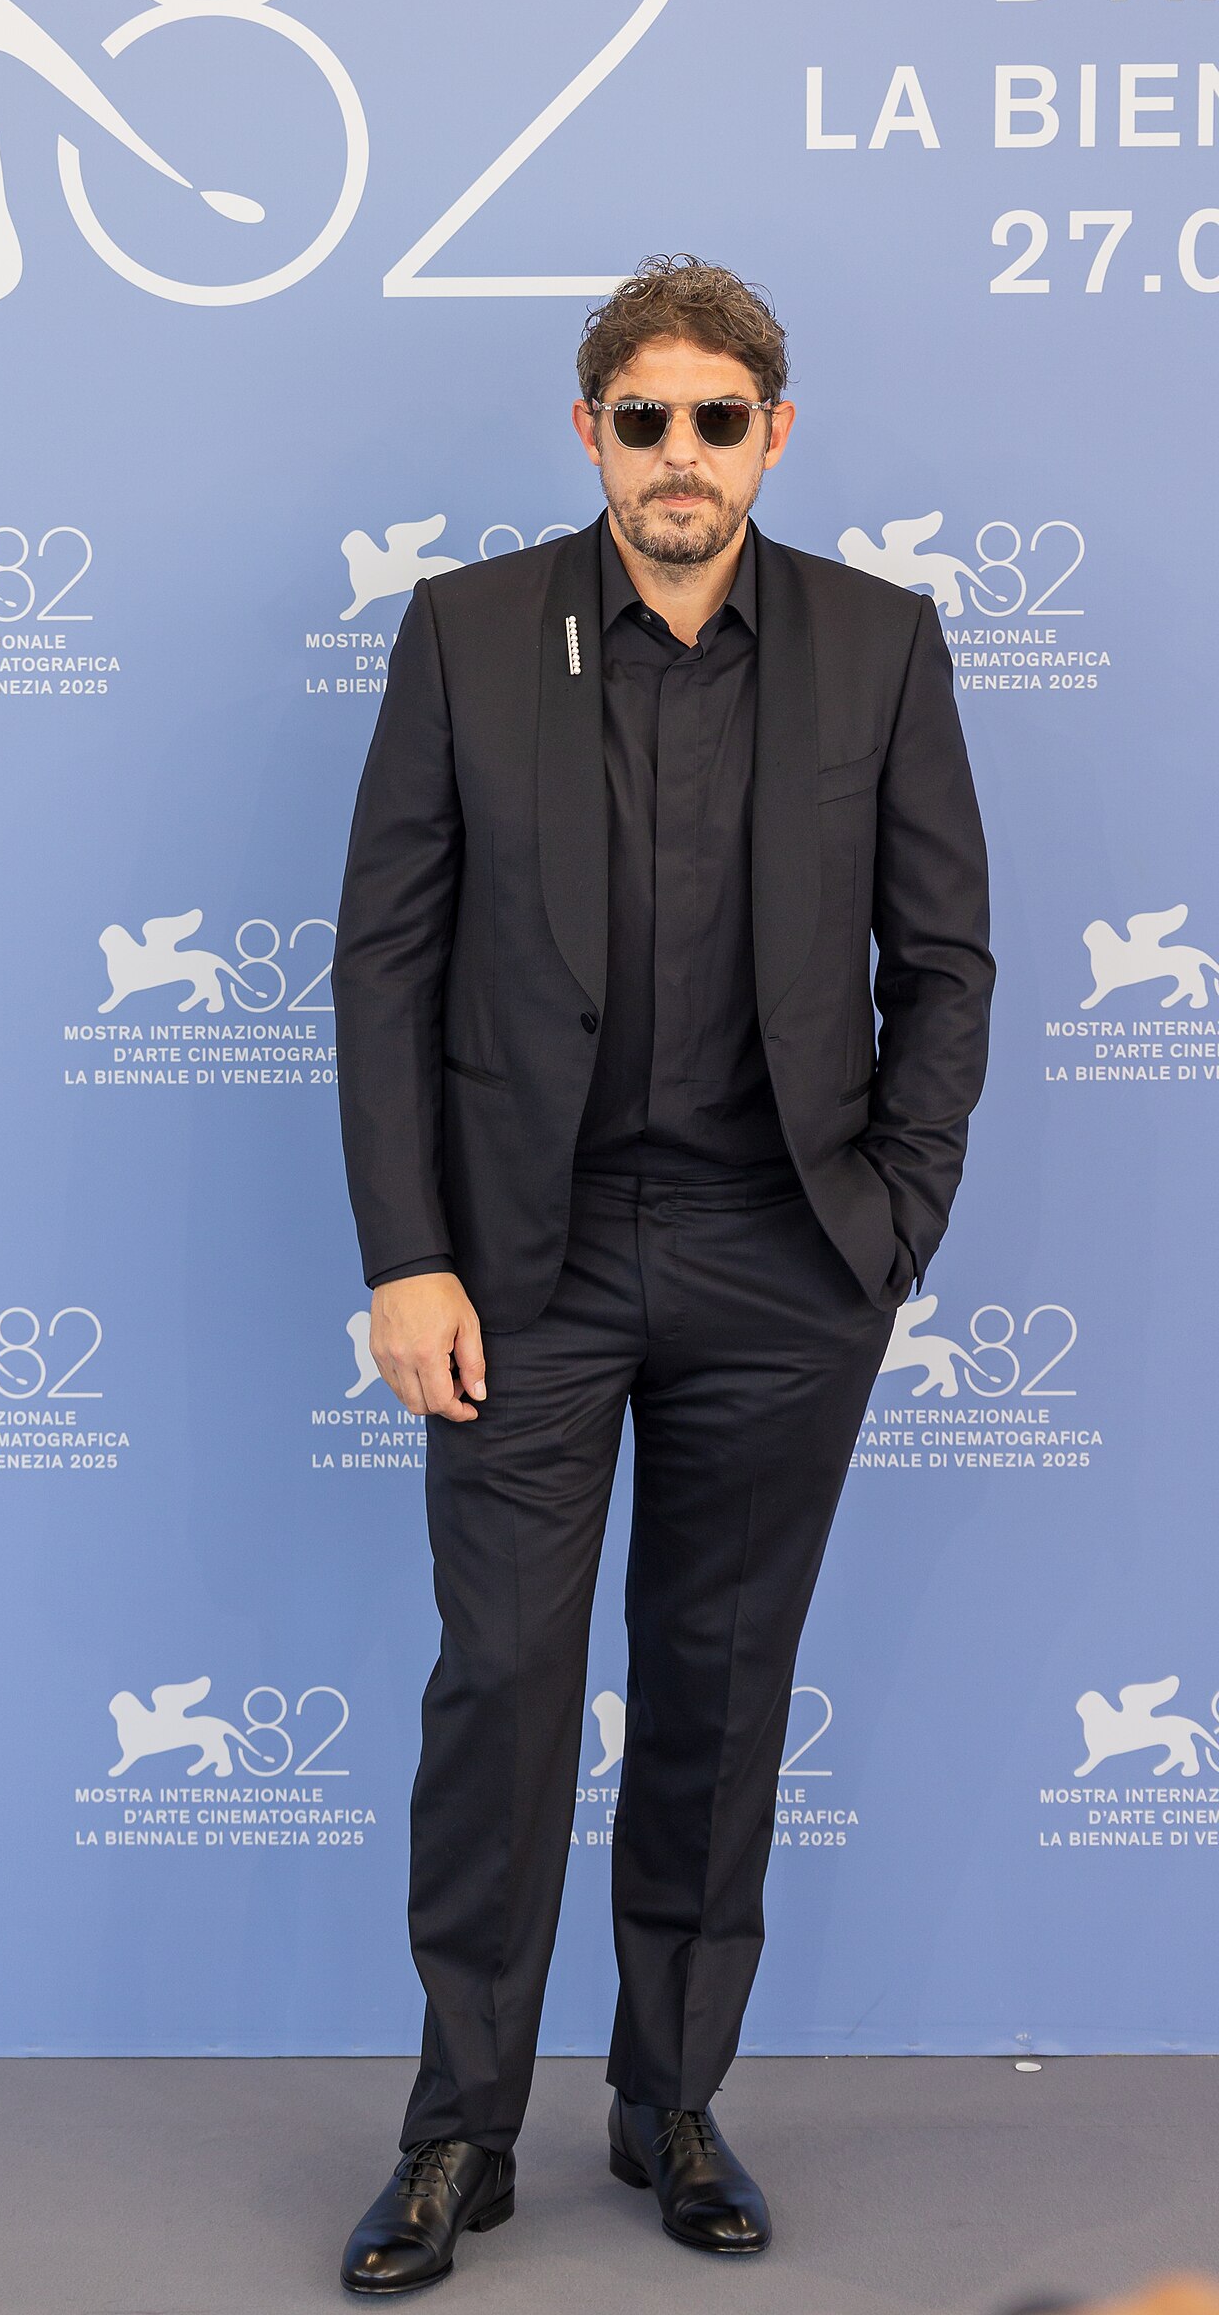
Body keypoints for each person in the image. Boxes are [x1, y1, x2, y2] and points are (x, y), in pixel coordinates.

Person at [330, 257, 992, 2293]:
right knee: (507, 1689)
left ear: (774, 436)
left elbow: (945, 961)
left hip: (780, 1261)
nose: (681, 455)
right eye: (646, 420)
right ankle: (458, 2131)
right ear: (591, 433)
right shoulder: (461, 635)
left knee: (718, 1691)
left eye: (721, 419)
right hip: (516, 1273)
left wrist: (888, 1231)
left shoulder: (879, 647)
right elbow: (384, 967)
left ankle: (671, 2102)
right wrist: (411, 1258)